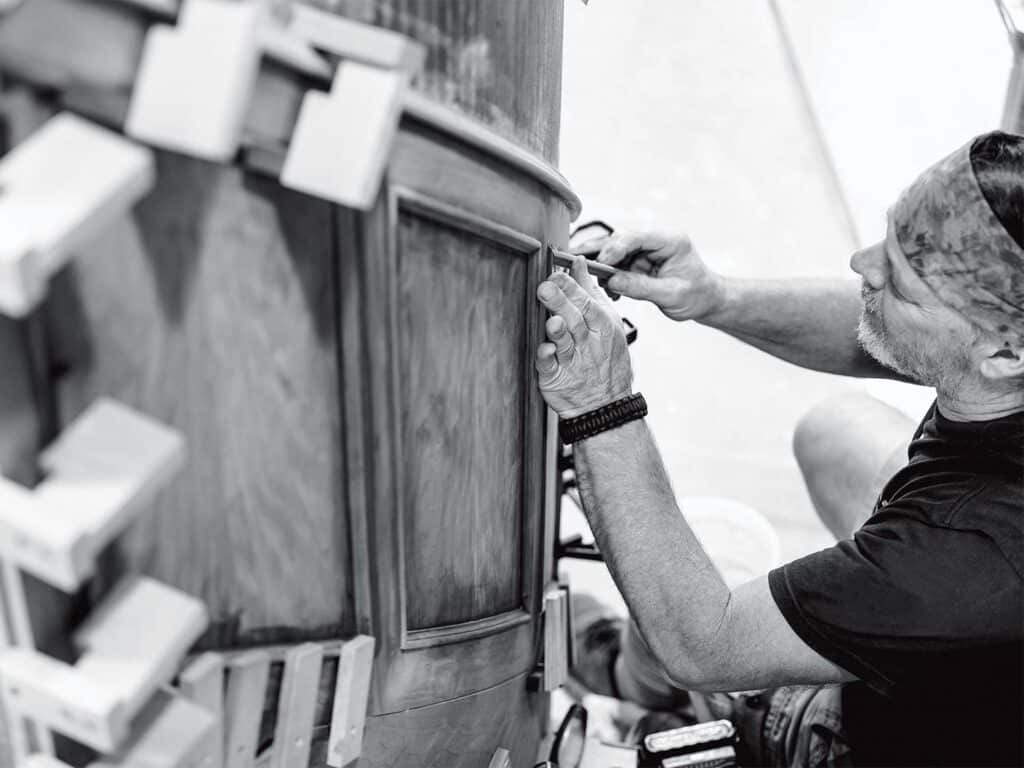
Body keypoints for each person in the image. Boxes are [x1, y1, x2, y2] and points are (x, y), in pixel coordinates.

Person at [534, 131, 1024, 767]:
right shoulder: (999, 339)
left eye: (901, 282)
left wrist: (601, 405)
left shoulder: (972, 553)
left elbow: (704, 645)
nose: (860, 263)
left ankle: (697, 704)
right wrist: (715, 296)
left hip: (875, 740)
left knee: (684, 634)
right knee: (834, 432)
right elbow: (904, 331)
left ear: (1006, 354)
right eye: (888, 240)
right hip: (962, 645)